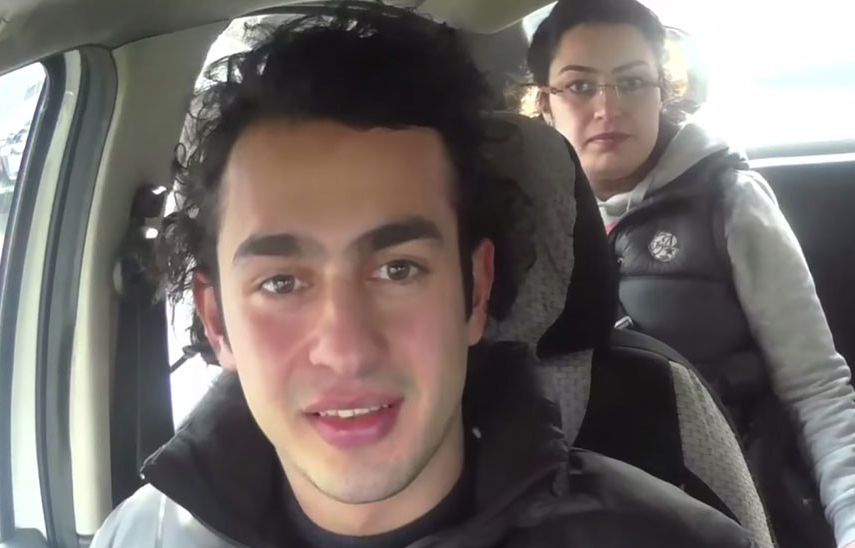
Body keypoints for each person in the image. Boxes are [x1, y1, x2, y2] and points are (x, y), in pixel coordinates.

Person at [90, 3, 756, 547]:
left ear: (476, 291)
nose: (347, 350)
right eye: (282, 283)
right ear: (216, 322)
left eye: (397, 269)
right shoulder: (139, 539)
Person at [527, 1, 855, 547]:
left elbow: (815, 386)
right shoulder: (523, 226)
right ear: (545, 103)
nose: (608, 107)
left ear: (662, 90)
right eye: (580, 86)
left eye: (633, 82)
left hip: (740, 506)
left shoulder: (729, 199)